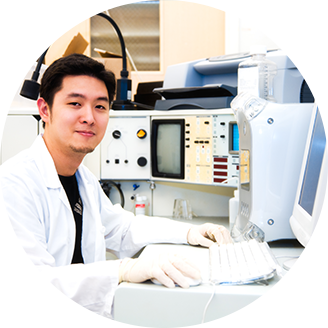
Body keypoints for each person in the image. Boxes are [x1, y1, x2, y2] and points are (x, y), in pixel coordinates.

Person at [0, 53, 231, 319]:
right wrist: (121, 270)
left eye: (100, 107)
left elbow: (122, 229)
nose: (89, 117)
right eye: (75, 103)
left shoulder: (82, 178)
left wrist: (190, 233)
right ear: (44, 109)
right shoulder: (13, 185)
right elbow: (29, 287)